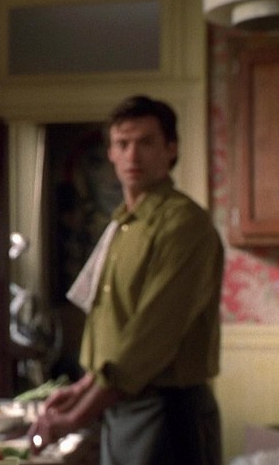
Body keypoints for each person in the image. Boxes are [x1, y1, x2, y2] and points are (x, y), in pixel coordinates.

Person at [28, 95, 224, 464]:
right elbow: (118, 330)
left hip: (166, 411)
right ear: (111, 153)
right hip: (121, 405)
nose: (133, 155)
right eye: (122, 143)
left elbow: (150, 338)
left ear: (171, 149)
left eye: (146, 142)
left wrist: (76, 417)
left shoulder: (184, 224)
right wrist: (83, 388)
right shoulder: (123, 223)